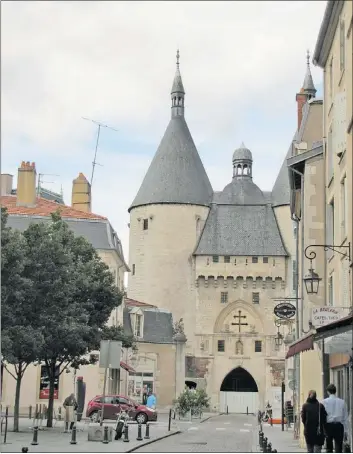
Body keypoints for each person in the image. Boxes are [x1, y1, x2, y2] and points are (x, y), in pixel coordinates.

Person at [322, 384, 349, 453]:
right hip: (339, 426)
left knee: (329, 448)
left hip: (328, 426)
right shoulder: (342, 402)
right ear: (335, 391)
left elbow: (322, 416)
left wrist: (322, 427)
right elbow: (345, 417)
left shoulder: (324, 402)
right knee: (339, 447)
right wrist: (346, 431)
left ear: (328, 392)